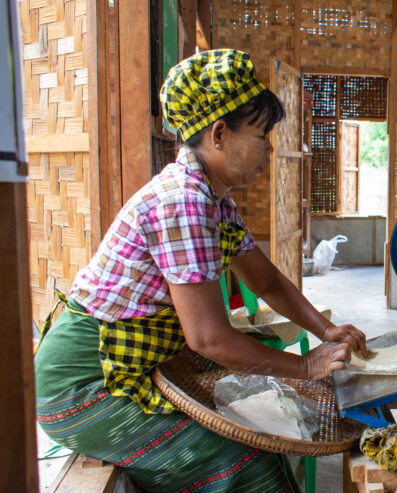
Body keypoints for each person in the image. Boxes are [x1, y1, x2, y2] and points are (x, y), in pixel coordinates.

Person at [34, 49, 368, 492]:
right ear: (218, 134)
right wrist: (305, 367)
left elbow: (265, 280)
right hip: (86, 386)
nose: (268, 149)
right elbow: (208, 338)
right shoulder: (183, 201)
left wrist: (327, 332)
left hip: (133, 364)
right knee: (245, 462)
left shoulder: (214, 200)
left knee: (262, 372)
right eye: (262, 135)